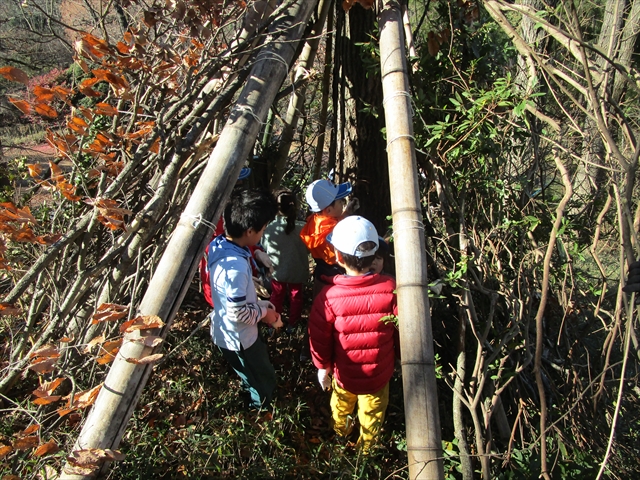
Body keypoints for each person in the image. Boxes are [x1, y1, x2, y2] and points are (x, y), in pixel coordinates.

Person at [308, 215, 399, 452]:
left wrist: (323, 366)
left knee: (341, 406)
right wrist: (397, 356)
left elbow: (320, 338)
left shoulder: (328, 297)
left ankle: (341, 435)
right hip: (379, 374)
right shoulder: (392, 289)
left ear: (338, 257)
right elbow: (402, 330)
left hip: (344, 374)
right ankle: (367, 451)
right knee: (373, 413)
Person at [208, 188, 283, 410]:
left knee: (251, 371)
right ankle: (262, 407)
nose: (263, 234)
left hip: (230, 331)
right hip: (240, 339)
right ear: (250, 231)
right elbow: (238, 313)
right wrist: (265, 313)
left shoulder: (220, 244)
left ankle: (255, 395)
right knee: (260, 376)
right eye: (262, 230)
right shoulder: (235, 268)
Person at [261, 190, 309, 332]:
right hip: (297, 269)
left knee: (276, 296)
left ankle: (273, 324)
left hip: (277, 270)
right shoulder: (302, 227)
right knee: (296, 297)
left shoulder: (269, 228)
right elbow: (308, 249)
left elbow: (265, 247)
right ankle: (292, 324)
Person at [299, 178, 359, 292]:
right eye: (341, 201)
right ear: (329, 210)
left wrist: (346, 212)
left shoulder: (316, 220)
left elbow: (332, 224)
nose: (343, 203)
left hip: (321, 273)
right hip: (336, 276)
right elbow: (336, 228)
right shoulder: (335, 232)